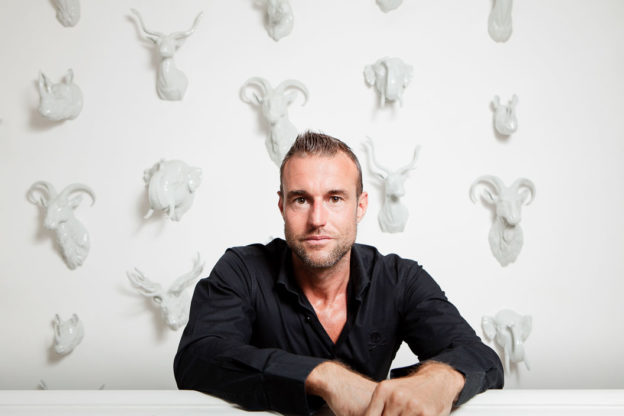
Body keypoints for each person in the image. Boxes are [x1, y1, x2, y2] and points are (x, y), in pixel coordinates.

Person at [174, 131, 504, 416]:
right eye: (301, 200)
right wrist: (324, 377)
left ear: (360, 206)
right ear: (282, 206)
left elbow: (481, 358)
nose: (317, 219)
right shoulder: (242, 271)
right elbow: (198, 357)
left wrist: (438, 380)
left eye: (335, 198)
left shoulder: (399, 279)